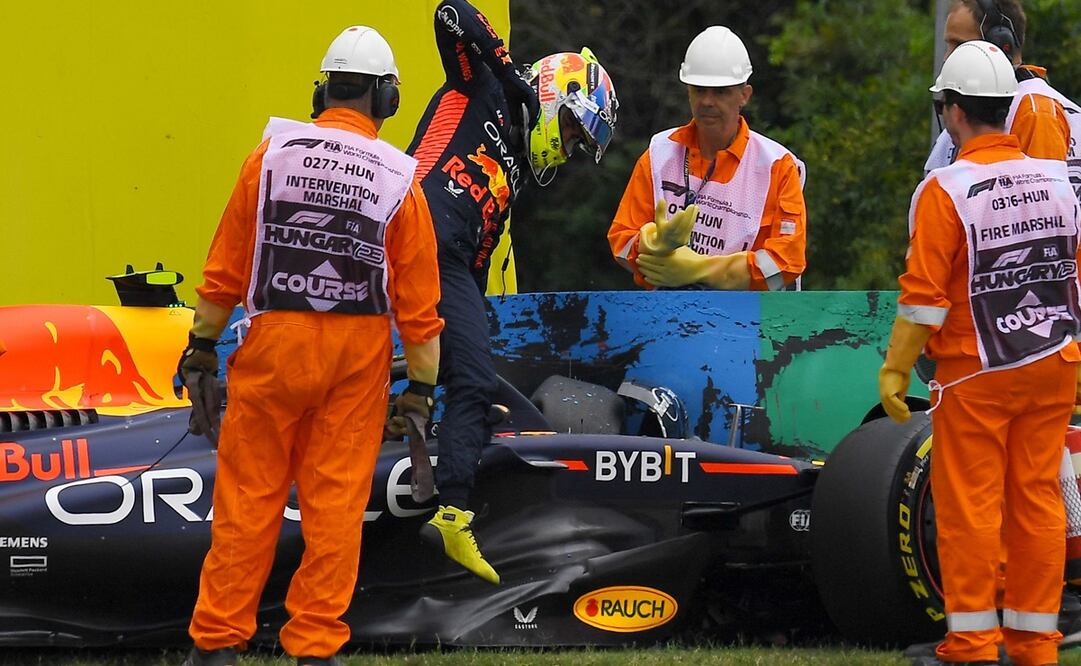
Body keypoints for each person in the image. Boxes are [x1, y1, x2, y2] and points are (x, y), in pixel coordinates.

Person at [176, 26, 443, 666]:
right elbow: (420, 309)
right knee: (333, 513)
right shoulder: (401, 179)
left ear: (322, 89)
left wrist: (201, 348)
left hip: (271, 351)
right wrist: (422, 392)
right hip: (355, 367)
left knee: (245, 504)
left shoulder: (267, 157)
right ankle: (316, 648)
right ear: (387, 100)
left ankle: (216, 644)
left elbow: (224, 271)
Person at [399, 0, 619, 585]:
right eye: (574, 131)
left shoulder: (516, 169)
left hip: (437, 261)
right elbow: (450, 12)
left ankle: (437, 492)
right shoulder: (486, 88)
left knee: (472, 376)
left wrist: (467, 336)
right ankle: (453, 512)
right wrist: (507, 69)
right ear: (555, 97)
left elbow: (475, 262)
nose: (569, 148)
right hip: (411, 229)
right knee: (471, 378)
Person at [879, 40, 1081, 666]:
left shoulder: (945, 190)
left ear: (954, 111)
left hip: (976, 373)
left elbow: (923, 301)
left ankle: (971, 645)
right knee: (1039, 501)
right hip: (1054, 364)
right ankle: (1034, 644)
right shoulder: (1057, 180)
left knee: (970, 511)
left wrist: (893, 369)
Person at [607, 25, 807, 292]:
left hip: (747, 326)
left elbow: (785, 262)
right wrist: (652, 244)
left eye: (721, 91)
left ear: (744, 95)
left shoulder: (776, 166)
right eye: (699, 90)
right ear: (688, 91)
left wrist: (703, 270)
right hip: (667, 321)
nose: (708, 101)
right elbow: (621, 242)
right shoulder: (659, 154)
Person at [925, 0, 1079, 189]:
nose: (947, 58)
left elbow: (1044, 209)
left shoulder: (1034, 112)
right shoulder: (971, 105)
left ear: (1000, 44)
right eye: (948, 45)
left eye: (958, 45)